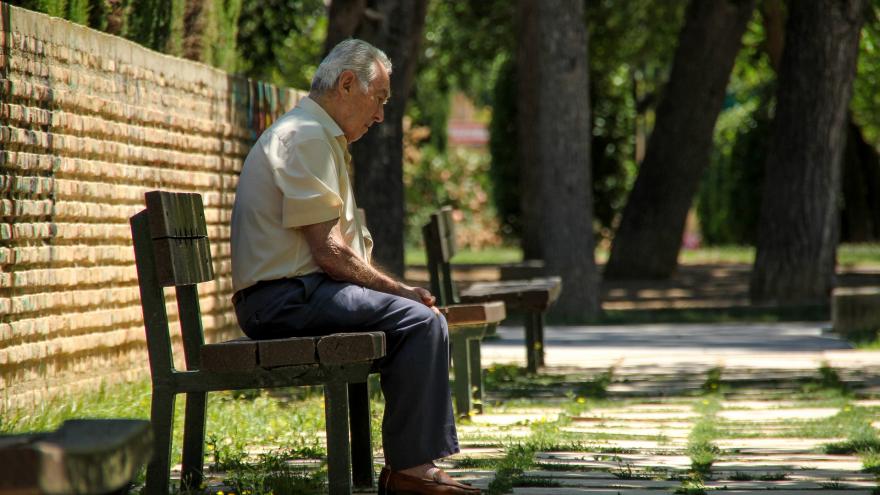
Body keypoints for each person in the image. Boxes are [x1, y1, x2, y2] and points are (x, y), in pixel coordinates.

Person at [230, 39, 479, 495]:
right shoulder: (305, 135)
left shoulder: (317, 135)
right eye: (379, 99)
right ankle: (410, 472)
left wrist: (392, 292)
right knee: (420, 323)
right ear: (347, 84)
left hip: (296, 293)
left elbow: (336, 252)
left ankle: (408, 466)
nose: (381, 115)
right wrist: (399, 290)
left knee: (419, 323)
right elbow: (330, 252)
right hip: (282, 300)